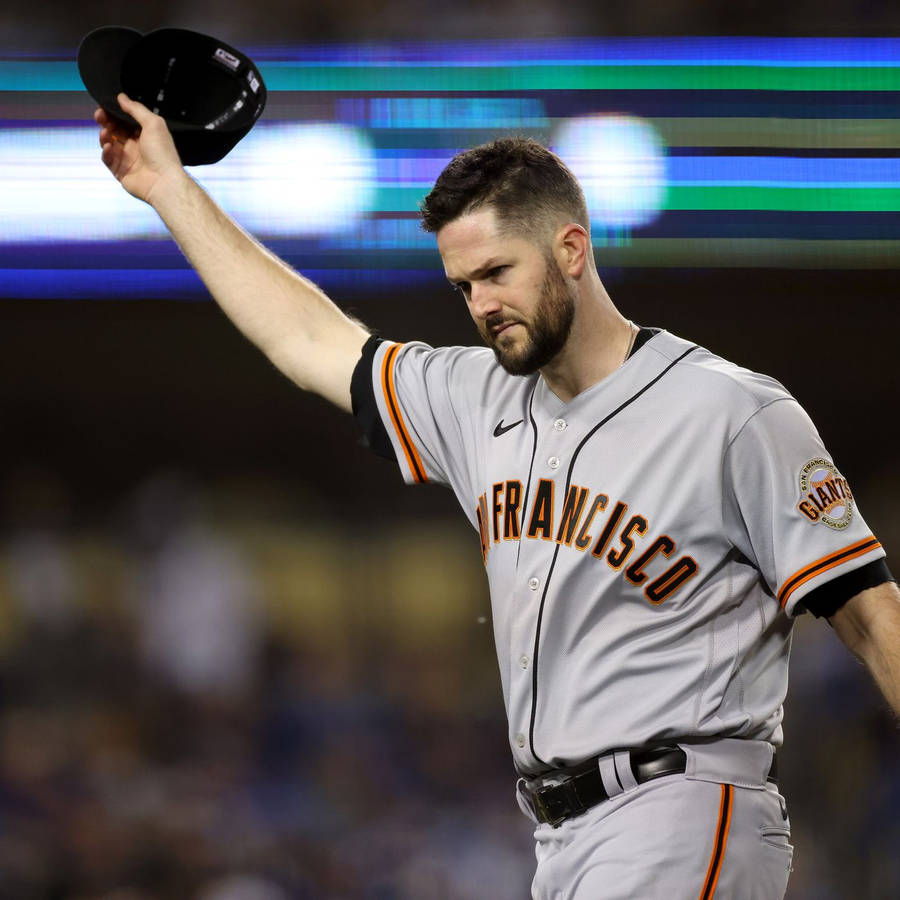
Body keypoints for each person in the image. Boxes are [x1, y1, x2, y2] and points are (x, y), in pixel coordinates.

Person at [94, 94, 900, 900]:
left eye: (496, 273)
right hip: (561, 838)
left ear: (571, 249)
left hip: (684, 808)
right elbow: (306, 338)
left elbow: (870, 615)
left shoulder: (730, 412)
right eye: (463, 286)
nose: (481, 304)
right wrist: (169, 189)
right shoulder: (477, 397)